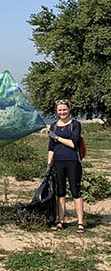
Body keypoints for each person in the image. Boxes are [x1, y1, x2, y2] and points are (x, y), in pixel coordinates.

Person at [47, 99, 85, 232]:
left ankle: (80, 222)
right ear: (56, 111)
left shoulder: (75, 124)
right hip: (58, 162)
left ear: (69, 109)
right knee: (60, 193)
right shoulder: (53, 126)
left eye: (64, 109)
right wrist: (48, 164)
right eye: (59, 110)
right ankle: (60, 221)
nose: (62, 112)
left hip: (72, 161)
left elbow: (73, 143)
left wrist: (56, 137)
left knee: (75, 192)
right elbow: (51, 148)